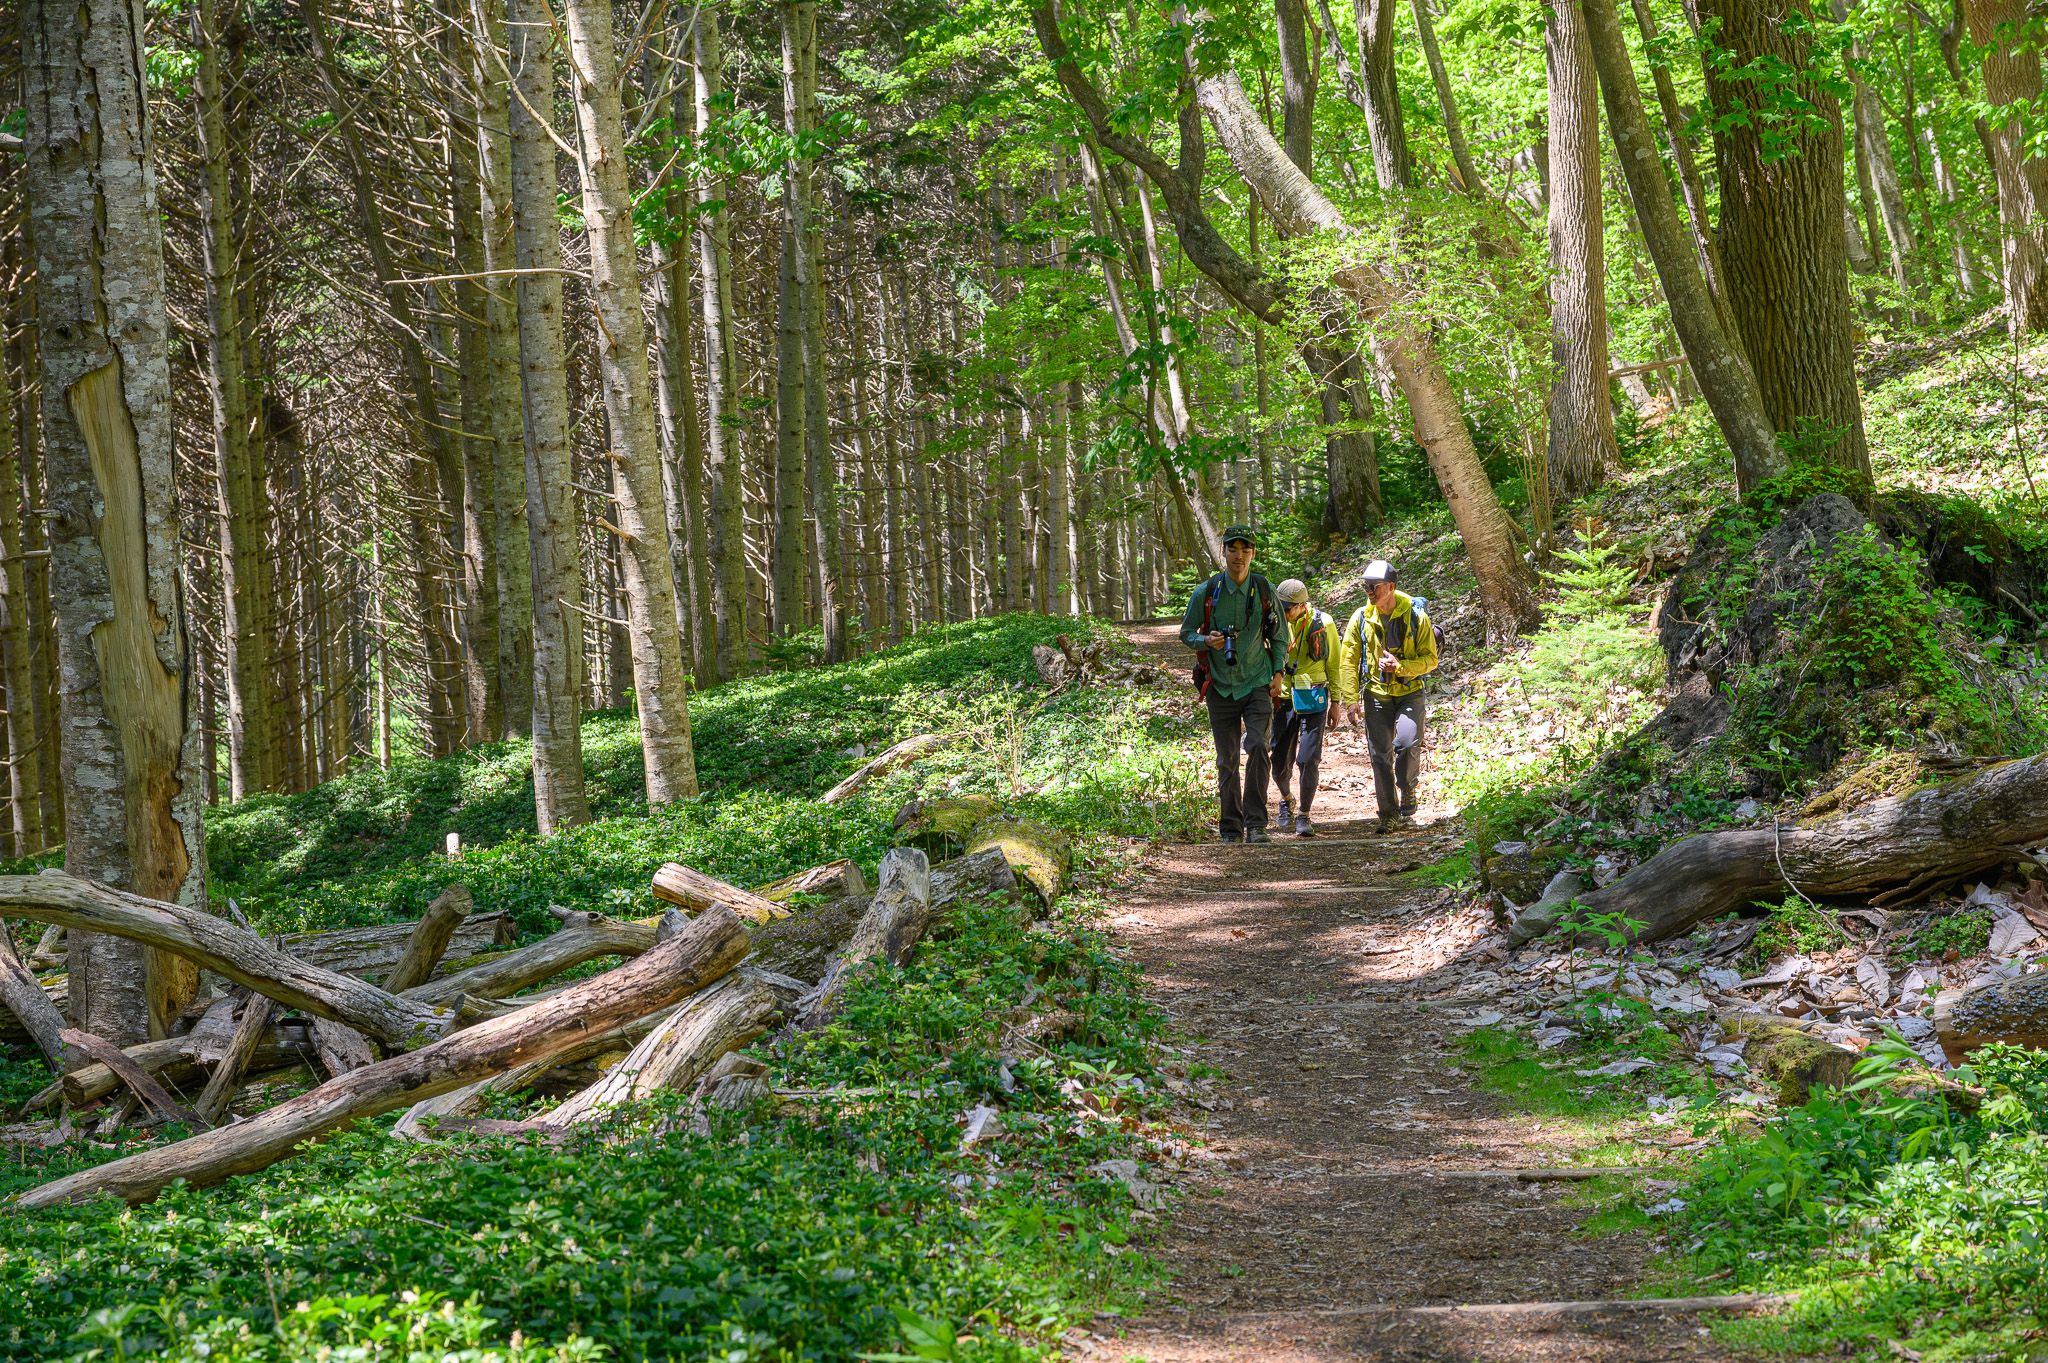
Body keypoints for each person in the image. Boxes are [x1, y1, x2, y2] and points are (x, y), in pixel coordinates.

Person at [1180, 525, 1288, 843]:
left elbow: (1279, 636)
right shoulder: (1207, 592)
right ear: (1223, 553)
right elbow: (1186, 633)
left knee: (1257, 746)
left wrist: (1278, 674)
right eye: (1232, 549)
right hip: (1220, 686)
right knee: (1226, 759)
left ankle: (1256, 824)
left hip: (1256, 682)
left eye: (1245, 550)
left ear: (1253, 554)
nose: (1238, 556)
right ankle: (1230, 826)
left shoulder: (1263, 590)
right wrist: (1205, 639)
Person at [1334, 559, 1438, 832]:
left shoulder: (1416, 617)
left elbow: (1431, 659)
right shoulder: (1361, 617)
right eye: (1366, 586)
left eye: (1374, 586)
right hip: (1376, 694)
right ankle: (1388, 814)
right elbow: (1348, 660)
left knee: (1406, 744)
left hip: (1410, 692)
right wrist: (1351, 699)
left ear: (1390, 587)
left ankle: (1408, 787)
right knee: (1380, 755)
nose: (1369, 591)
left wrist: (1400, 667)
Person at [1268, 578, 1334, 837]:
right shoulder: (1274, 622)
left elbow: (1335, 663)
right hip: (1283, 697)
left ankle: (1304, 815)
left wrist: (1338, 700)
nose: (1284, 612)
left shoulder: (1323, 623)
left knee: (1308, 758)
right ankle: (1286, 798)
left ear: (1302, 605)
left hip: (1313, 696)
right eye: (1281, 606)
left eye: (1289, 608)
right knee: (1278, 761)